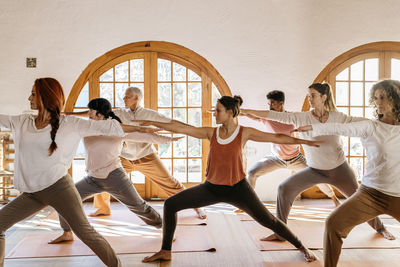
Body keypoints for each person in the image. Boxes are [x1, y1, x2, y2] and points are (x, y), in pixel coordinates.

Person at [139, 95, 322, 263]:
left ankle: (302, 247)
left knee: (269, 221)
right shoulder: (212, 133)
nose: (214, 114)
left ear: (230, 112)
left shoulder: (245, 132)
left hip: (239, 190)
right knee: (170, 205)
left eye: (218, 110)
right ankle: (165, 250)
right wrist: (155, 123)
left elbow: (276, 137)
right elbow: (182, 128)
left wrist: (304, 143)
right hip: (210, 189)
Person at [240, 83, 394, 241]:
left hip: (340, 170)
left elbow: (360, 122)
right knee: (284, 189)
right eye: (308, 96)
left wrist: (384, 122)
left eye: (313, 95)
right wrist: (244, 111)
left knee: (361, 199)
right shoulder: (301, 118)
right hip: (314, 170)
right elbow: (272, 115)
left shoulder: (337, 117)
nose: (309, 99)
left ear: (324, 97)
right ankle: (281, 233)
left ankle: (381, 228)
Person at [0, 78, 125, 267]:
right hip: (32, 193)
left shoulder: (70, 124)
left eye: (33, 94)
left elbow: (113, 127)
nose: (29, 98)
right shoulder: (23, 122)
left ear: (46, 96)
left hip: (60, 189)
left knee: (86, 233)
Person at [295, 79, 400, 267]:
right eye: (375, 98)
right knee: (333, 223)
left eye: (383, 97)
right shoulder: (371, 126)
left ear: (397, 99)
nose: (378, 102)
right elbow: (340, 127)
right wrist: (314, 127)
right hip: (371, 194)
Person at [49, 98, 182, 244]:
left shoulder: (115, 127)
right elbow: (67, 123)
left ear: (100, 114)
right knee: (65, 199)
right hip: (93, 178)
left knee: (139, 206)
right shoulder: (87, 127)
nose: (88, 114)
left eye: (90, 111)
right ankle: (67, 232)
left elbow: (143, 136)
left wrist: (168, 140)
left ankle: (165, 227)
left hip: (114, 176)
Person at [91, 87, 205, 219]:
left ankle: (196, 206)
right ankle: (102, 208)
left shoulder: (150, 114)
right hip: (124, 157)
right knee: (103, 176)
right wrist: (70, 115)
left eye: (127, 97)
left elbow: (171, 122)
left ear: (136, 98)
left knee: (170, 183)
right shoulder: (119, 113)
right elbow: (97, 113)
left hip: (147, 156)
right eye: (124, 96)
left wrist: (193, 130)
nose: (124, 99)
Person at [243, 90, 340, 208]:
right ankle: (248, 204)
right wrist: (234, 112)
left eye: (272, 103)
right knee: (252, 173)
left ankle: (334, 199)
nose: (269, 106)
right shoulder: (268, 117)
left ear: (281, 103)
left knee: (317, 176)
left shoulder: (292, 118)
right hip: (276, 158)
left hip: (295, 159)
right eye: (269, 104)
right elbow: (250, 115)